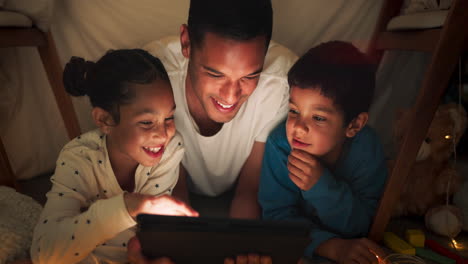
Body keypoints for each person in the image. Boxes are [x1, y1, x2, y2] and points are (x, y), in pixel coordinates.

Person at [31, 49, 198, 264]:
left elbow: (152, 238)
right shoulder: (80, 158)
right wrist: (129, 206)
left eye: (169, 117)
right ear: (104, 120)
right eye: (147, 122)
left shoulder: (170, 150)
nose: (164, 134)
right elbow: (43, 252)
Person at [144, 0, 297, 219]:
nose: (230, 96)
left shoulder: (281, 83)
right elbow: (171, 189)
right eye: (215, 74)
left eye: (249, 76)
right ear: (186, 43)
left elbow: (249, 189)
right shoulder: (152, 78)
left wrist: (240, 249)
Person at [258, 41, 388, 264]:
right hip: (306, 247)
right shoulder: (280, 146)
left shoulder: (367, 149)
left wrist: (321, 186)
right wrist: (331, 247)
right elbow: (276, 219)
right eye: (294, 111)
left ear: (354, 125)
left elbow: (363, 224)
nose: (298, 127)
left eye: (318, 118)